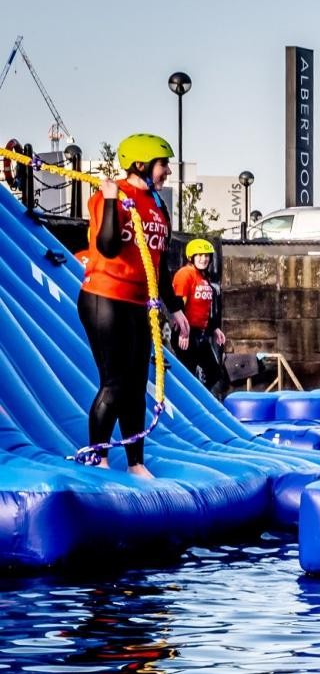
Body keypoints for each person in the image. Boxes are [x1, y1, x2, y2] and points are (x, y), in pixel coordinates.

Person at [79, 133, 189, 478]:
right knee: (115, 382)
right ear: (141, 164)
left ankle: (135, 462)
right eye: (162, 164)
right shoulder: (110, 196)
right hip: (105, 298)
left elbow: (159, 263)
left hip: (139, 303)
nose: (167, 171)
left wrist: (176, 308)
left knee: (137, 385)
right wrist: (112, 200)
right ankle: (98, 457)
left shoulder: (156, 205)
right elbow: (108, 247)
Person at [171, 237, 228, 398]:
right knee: (187, 376)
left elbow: (204, 308)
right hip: (186, 334)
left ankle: (200, 400)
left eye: (207, 256)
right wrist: (183, 332)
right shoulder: (185, 274)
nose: (204, 259)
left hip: (200, 334)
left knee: (214, 372)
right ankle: (186, 404)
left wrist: (215, 328)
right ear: (192, 257)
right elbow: (179, 305)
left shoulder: (203, 278)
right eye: (200, 255)